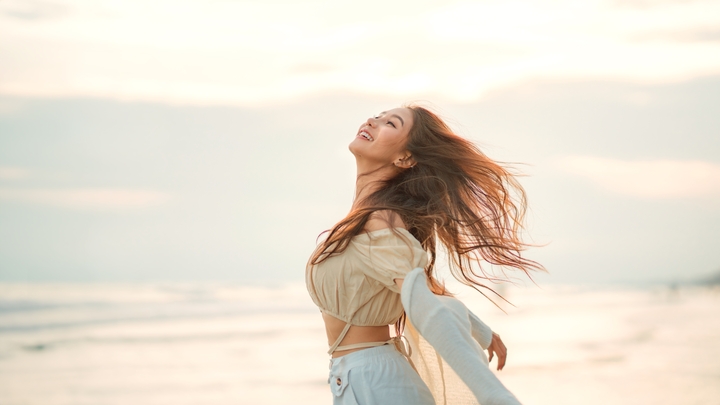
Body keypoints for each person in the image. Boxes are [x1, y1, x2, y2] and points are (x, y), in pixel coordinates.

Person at [305, 105, 542, 404]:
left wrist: (496, 397)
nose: (372, 121)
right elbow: (421, 286)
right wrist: (482, 331)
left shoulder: (380, 220)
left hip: (375, 383)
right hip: (359, 378)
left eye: (390, 122)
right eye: (377, 116)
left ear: (405, 157)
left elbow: (423, 304)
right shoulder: (367, 218)